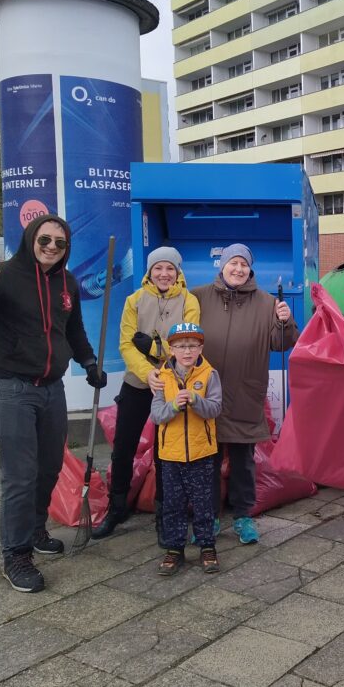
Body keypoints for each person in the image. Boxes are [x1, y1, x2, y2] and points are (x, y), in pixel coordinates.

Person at [0, 216, 106, 593]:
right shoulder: (1, 273)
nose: (51, 247)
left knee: (49, 467)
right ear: (31, 238)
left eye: (60, 243)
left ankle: (34, 530)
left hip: (51, 388)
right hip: (10, 387)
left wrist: (89, 362)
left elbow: (74, 330)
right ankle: (15, 555)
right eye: (44, 239)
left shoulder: (67, 283)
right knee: (20, 474)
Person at [152, 243, 297, 545]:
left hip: (245, 392)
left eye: (244, 264)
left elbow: (281, 343)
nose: (238, 269)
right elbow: (178, 334)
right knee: (208, 463)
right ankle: (211, 516)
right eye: (233, 263)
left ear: (250, 269)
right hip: (204, 394)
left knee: (244, 462)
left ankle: (243, 517)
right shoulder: (200, 296)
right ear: (222, 265)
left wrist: (285, 322)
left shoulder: (267, 302)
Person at [92, 246, 200, 539]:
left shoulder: (189, 301)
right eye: (158, 268)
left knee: (166, 452)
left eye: (169, 268)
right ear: (149, 272)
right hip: (138, 383)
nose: (164, 274)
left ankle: (166, 513)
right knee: (123, 448)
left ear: (178, 272)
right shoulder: (135, 300)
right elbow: (126, 343)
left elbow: (185, 344)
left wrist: (154, 351)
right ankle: (117, 507)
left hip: (173, 384)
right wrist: (147, 372)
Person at [152, 322, 223, 575]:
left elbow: (215, 408)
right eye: (181, 346)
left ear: (201, 347)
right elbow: (157, 415)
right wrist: (173, 406)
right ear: (171, 349)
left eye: (192, 346)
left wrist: (195, 400)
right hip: (170, 455)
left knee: (204, 503)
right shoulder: (162, 377)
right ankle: (174, 549)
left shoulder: (209, 374)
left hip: (201, 452)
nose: (187, 351)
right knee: (173, 504)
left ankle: (207, 546)